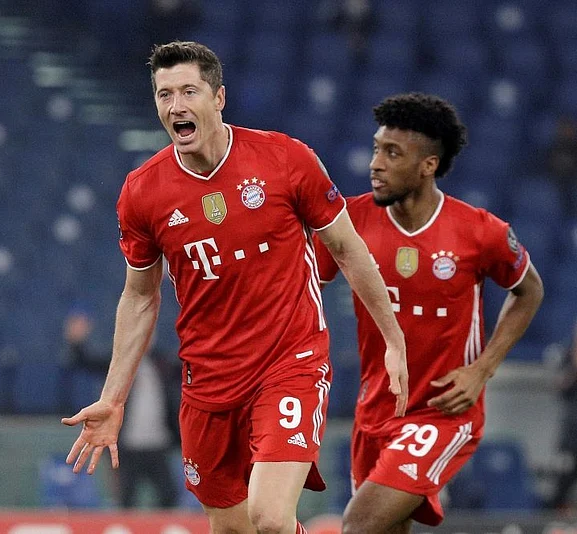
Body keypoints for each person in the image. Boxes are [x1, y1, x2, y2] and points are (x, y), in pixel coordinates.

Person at [62, 41, 409, 534]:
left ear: (219, 97)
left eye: (188, 91)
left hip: (289, 363)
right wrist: (113, 397)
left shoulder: (285, 159)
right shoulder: (142, 192)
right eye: (164, 95)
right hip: (207, 382)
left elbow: (349, 250)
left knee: (270, 517)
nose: (176, 106)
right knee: (233, 527)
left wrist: (393, 339)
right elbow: (140, 296)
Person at [312, 92, 544, 532]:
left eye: (392, 153)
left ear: (428, 165)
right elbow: (302, 288)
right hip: (374, 411)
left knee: (358, 524)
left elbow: (529, 290)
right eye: (376, 149)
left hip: (442, 411)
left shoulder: (479, 231)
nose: (375, 163)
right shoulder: (350, 222)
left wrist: (482, 370)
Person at [61, 309, 181, 509]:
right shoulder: (118, 364)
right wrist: (76, 343)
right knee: (126, 499)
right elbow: (85, 362)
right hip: (127, 446)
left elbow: (189, 367)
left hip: (158, 444)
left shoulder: (162, 363)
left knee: (169, 495)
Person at [545, 319, 577, 513]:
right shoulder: (564, 354)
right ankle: (555, 515)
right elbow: (559, 385)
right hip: (571, 434)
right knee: (563, 480)